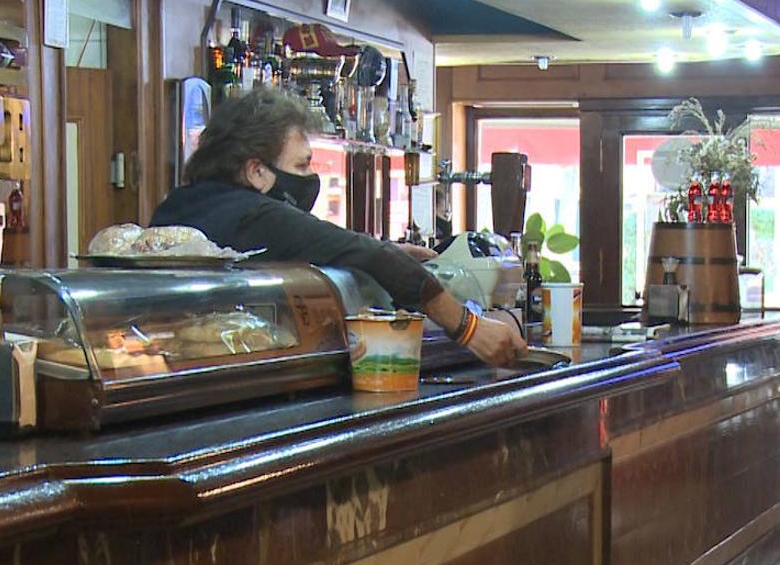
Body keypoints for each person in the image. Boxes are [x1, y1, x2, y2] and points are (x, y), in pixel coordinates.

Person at [151, 89, 526, 367]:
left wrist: (386, 249)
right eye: (301, 167)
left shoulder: (177, 205)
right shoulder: (256, 213)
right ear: (257, 171)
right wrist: (471, 329)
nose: (310, 178)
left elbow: (340, 246)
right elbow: (368, 255)